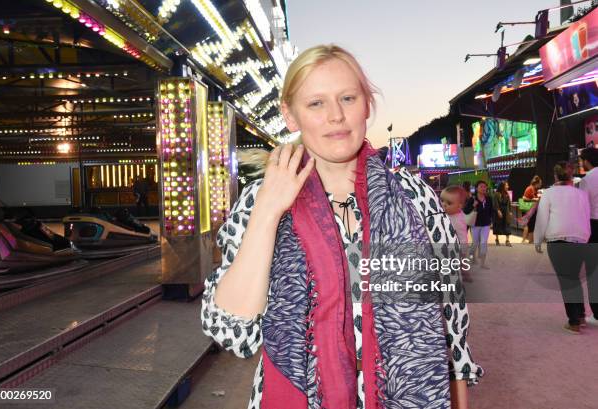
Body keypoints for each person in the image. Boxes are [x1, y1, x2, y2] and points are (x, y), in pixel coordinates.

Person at [201, 45, 482, 409]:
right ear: (290, 115)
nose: (336, 115)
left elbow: (450, 318)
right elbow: (233, 332)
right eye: (316, 103)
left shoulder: (413, 197)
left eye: (347, 98)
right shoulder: (261, 197)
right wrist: (268, 212)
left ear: (367, 104)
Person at [534, 162, 591, 334]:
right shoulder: (581, 194)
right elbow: (585, 215)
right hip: (580, 239)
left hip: (558, 239)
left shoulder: (549, 193)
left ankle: (573, 321)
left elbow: (542, 218)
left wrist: (537, 239)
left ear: (555, 175)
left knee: (567, 281)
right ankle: (580, 315)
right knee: (574, 278)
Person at [579, 147, 598, 326]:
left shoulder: (587, 180)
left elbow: (583, 209)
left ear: (586, 161)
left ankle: (597, 314)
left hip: (594, 225)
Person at [441, 185, 472, 282]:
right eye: (442, 201)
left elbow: (462, 235)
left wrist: (463, 249)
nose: (444, 205)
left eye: (449, 203)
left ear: (459, 206)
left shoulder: (458, 219)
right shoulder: (446, 214)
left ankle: (463, 276)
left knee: (459, 263)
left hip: (457, 247)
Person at [463, 180, 493, 269]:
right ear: (477, 188)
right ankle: (472, 258)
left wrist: (491, 220)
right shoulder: (473, 199)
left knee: (483, 242)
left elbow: (491, 210)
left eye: (485, 186)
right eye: (481, 186)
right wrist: (473, 205)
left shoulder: (488, 199)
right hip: (475, 224)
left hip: (486, 224)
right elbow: (465, 211)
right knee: (475, 243)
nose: (484, 188)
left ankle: (482, 263)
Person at [521, 175, 542, 244]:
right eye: (540, 183)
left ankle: (530, 241)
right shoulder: (530, 188)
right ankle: (523, 241)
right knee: (527, 225)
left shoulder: (534, 190)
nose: (540, 185)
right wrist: (532, 199)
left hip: (530, 210)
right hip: (527, 209)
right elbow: (524, 198)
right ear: (537, 183)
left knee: (531, 226)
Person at [493, 182, 513, 246]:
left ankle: (507, 240)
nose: (508, 186)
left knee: (507, 225)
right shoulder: (496, 194)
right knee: (497, 225)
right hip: (498, 211)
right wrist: (498, 211)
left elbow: (509, 204)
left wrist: (510, 211)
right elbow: (495, 203)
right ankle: (497, 239)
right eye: (506, 185)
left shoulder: (507, 194)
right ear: (503, 186)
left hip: (506, 212)